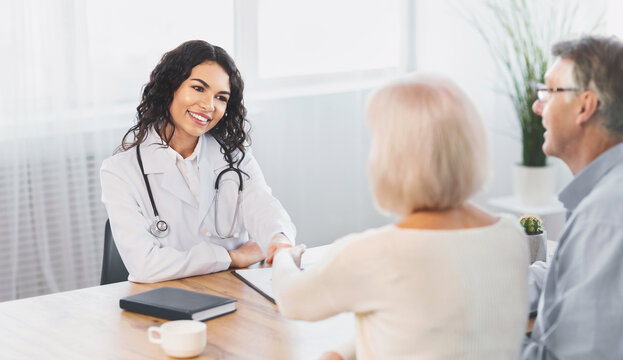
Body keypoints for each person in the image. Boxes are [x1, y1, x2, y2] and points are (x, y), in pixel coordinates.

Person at [272, 75, 529, 359]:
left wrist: (285, 257)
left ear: (394, 156)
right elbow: (446, 330)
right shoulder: (511, 236)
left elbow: (292, 299)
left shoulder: (375, 252)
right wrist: (346, 353)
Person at [100, 40, 295, 283]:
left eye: (221, 97)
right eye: (199, 88)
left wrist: (279, 240)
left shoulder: (234, 157)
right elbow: (144, 266)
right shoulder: (119, 171)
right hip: (166, 301)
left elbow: (263, 208)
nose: (208, 106)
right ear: (170, 87)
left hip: (235, 291)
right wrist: (231, 257)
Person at [521, 35, 623, 359]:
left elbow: (575, 354)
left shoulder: (604, 217)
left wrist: (470, 340)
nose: (538, 106)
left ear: (585, 105)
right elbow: (559, 273)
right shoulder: (603, 196)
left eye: (548, 92)